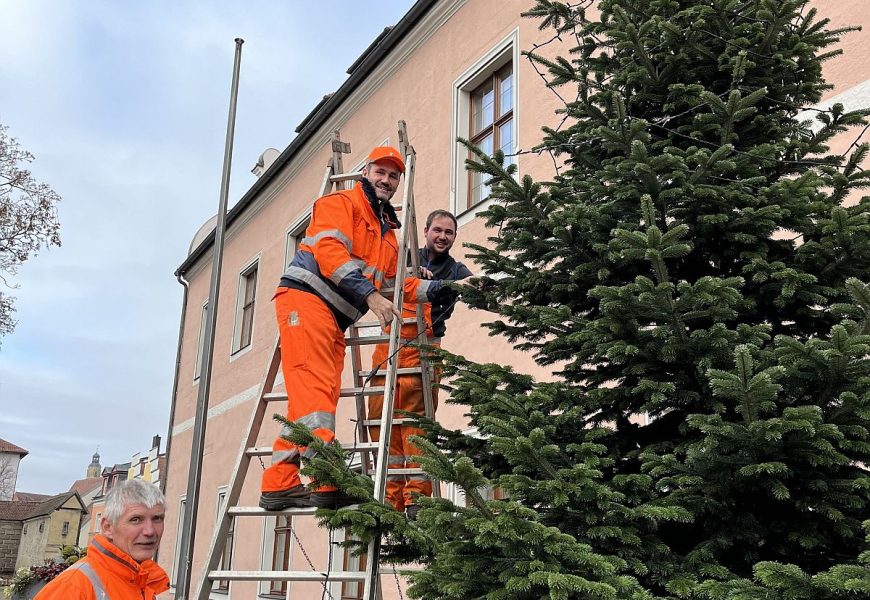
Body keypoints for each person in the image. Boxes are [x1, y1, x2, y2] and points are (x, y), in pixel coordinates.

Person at [260, 146, 444, 511]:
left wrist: (446, 287)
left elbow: (399, 284)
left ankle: (279, 484)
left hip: (332, 318)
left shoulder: (388, 235)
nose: (386, 180)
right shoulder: (340, 203)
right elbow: (330, 253)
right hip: (306, 302)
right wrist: (370, 297)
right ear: (366, 171)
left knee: (314, 401)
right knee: (314, 394)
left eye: (393, 176)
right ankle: (328, 481)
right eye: (381, 172)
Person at [368, 209, 471, 519]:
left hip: (427, 348)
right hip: (391, 343)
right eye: (437, 230)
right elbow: (384, 276)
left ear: (454, 237)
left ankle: (415, 498)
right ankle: (388, 499)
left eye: (448, 233)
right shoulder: (406, 257)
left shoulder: (455, 269)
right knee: (382, 421)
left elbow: (473, 283)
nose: (442, 236)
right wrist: (412, 276)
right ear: (425, 230)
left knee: (416, 423)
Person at [35, 479, 169, 600]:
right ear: (107, 527)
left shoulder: (145, 582)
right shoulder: (73, 587)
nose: (150, 531)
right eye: (136, 520)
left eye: (157, 519)